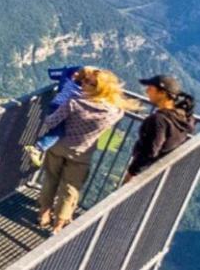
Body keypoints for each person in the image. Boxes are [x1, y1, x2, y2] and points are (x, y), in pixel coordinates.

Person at [38, 68, 138, 233]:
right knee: (70, 188)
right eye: (84, 80)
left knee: (51, 179)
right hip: (82, 153)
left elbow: (51, 122)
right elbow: (119, 109)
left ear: (98, 88)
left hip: (58, 147)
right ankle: (58, 226)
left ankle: (44, 215)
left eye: (88, 82)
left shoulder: (74, 103)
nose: (83, 83)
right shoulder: (114, 112)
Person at [124, 75, 195, 182]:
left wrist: (131, 174)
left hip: (144, 174)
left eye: (151, 88)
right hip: (160, 174)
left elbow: (150, 151)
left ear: (162, 93)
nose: (147, 91)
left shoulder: (159, 120)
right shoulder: (183, 117)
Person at [24, 66, 85, 168]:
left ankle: (41, 150)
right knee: (59, 132)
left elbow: (52, 74)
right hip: (62, 108)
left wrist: (67, 71)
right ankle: (38, 148)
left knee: (57, 130)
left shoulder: (69, 77)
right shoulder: (84, 89)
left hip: (54, 105)